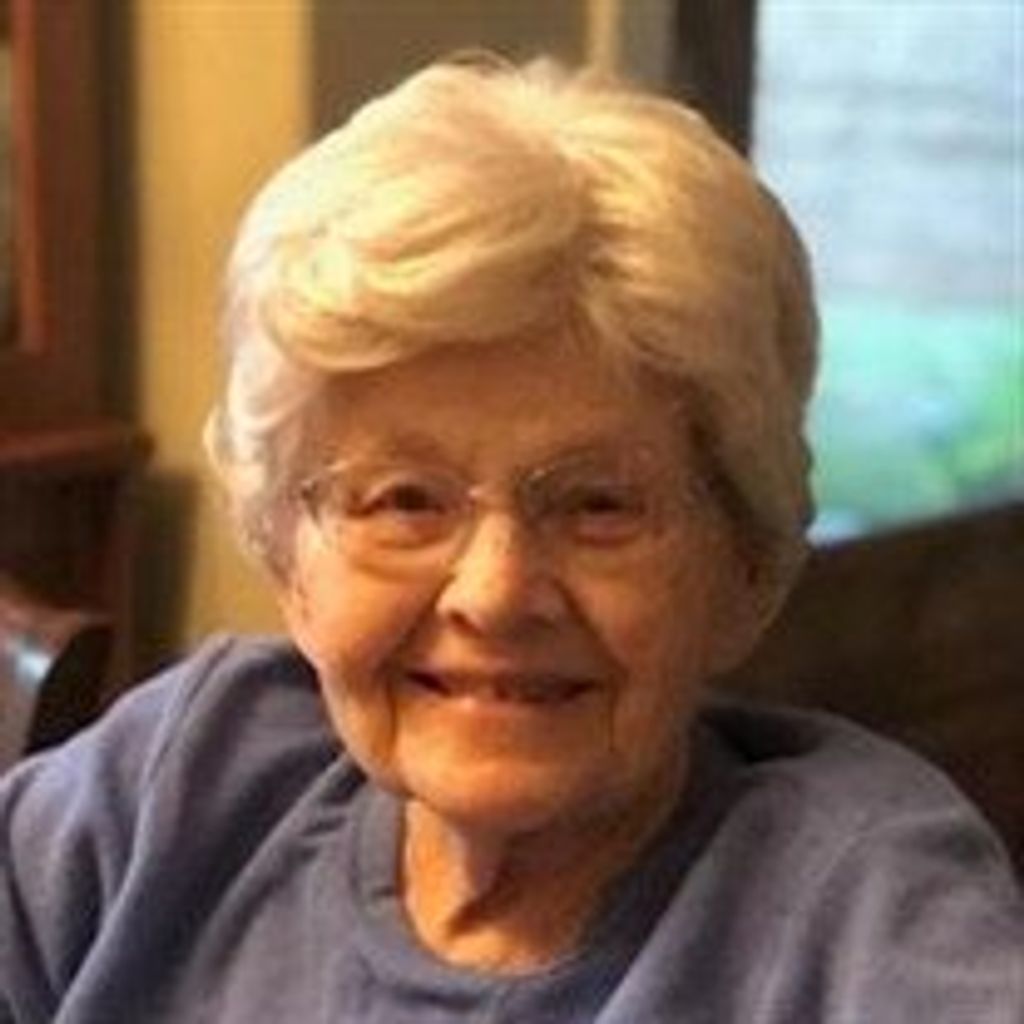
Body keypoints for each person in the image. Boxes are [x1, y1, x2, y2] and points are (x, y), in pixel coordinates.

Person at [1, 54, 1021, 1024]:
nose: (493, 593)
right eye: (404, 499)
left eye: (598, 506)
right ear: (288, 555)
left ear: (743, 564)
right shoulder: (187, 775)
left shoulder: (858, 912)